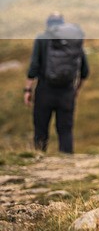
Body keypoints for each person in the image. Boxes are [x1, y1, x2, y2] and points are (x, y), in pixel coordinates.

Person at [24, 12, 89, 154]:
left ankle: (38, 159)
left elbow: (34, 66)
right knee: (65, 130)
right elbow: (84, 70)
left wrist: (27, 90)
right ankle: (67, 163)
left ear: (48, 24)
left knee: (41, 128)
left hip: (44, 90)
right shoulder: (72, 40)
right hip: (67, 91)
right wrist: (76, 90)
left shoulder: (42, 39)